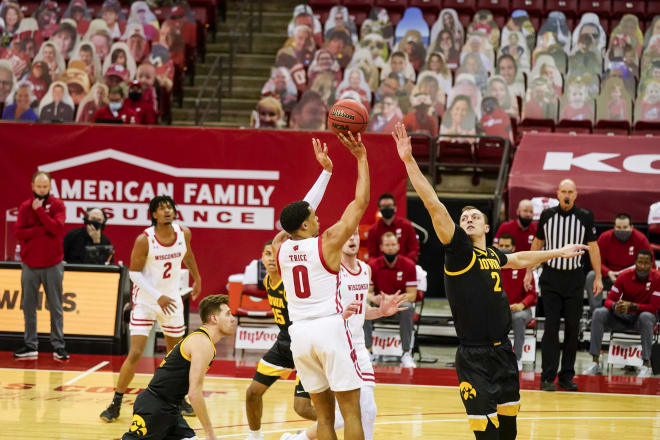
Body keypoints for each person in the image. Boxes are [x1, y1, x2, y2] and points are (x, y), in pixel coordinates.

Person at [392, 122, 587, 440]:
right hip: (474, 356)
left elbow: (521, 259)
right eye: (463, 218)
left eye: (474, 217)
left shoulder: (493, 255)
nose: (467, 219)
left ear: (486, 228)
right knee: (486, 433)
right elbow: (433, 205)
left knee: (509, 428)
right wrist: (409, 161)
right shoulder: (458, 252)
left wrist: (558, 251)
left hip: (503, 352)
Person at [274, 131, 370, 440]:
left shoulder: (280, 247)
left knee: (325, 417)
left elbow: (296, 214)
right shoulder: (327, 243)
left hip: (299, 335)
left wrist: (326, 172)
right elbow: (361, 202)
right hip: (329, 328)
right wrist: (361, 158)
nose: (318, 218)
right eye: (313, 217)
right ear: (304, 225)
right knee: (352, 411)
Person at [245, 141, 335, 440]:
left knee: (305, 408)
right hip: (285, 341)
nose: (272, 257)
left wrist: (325, 174)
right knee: (252, 393)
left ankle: (335, 423)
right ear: (264, 256)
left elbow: (301, 214)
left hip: (305, 337)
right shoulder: (276, 258)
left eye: (275, 252)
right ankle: (255, 437)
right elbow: (297, 217)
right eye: (268, 254)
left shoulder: (289, 261)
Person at [280, 231, 408, 440]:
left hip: (357, 346)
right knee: (345, 414)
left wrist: (381, 312)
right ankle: (298, 439)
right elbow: (320, 308)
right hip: (334, 343)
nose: (351, 239)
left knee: (367, 408)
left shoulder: (365, 269)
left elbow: (361, 309)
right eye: (347, 235)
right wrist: (339, 314)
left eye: (355, 235)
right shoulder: (330, 270)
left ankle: (297, 439)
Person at [100, 195, 202, 422]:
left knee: (175, 356)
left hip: (172, 301)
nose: (167, 211)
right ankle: (116, 402)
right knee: (135, 353)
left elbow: (188, 255)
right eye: (161, 208)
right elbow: (134, 273)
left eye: (170, 207)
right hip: (146, 302)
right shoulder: (144, 239)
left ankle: (178, 399)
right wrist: (158, 296)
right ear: (153, 214)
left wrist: (198, 278)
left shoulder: (183, 233)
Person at [120, 294, 237, 440]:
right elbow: (194, 394)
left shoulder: (203, 341)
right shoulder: (202, 343)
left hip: (170, 409)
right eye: (227, 314)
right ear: (214, 318)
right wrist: (209, 432)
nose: (233, 319)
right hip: (155, 407)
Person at [526, 179, 603, 392]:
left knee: (572, 327)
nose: (567, 195)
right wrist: (528, 270)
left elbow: (594, 248)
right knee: (550, 328)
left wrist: (598, 276)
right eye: (563, 191)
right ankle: (547, 377)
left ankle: (566, 376)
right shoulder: (547, 215)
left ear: (576, 194)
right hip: (551, 278)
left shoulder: (585, 217)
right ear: (557, 194)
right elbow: (537, 244)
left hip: (574, 279)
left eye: (570, 191)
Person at [13, 171, 68, 360]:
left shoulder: (58, 205)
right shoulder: (25, 206)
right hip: (29, 264)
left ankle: (58, 346)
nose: (42, 189)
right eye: (39, 186)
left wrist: (40, 213)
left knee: (56, 306)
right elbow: (19, 233)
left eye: (45, 186)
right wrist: (42, 230)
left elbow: (57, 229)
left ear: (50, 186)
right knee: (28, 306)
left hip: (53, 263)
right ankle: (30, 345)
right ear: (32, 186)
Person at [583, 250, 659, 378]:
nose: (643, 266)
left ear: (651, 264)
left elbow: (654, 307)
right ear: (635, 263)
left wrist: (631, 305)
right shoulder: (624, 276)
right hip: (623, 317)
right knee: (598, 313)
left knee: (646, 316)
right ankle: (595, 362)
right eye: (640, 262)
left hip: (642, 321)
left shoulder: (657, 278)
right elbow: (608, 300)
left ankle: (646, 364)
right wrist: (615, 306)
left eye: (646, 263)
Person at [364, 232, 418, 368]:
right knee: (363, 306)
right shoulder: (373, 265)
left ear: (398, 246)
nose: (390, 248)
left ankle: (406, 353)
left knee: (408, 307)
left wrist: (393, 300)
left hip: (398, 307)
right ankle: (368, 351)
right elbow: (367, 292)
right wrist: (374, 298)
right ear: (381, 247)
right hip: (379, 307)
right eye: (387, 245)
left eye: (393, 244)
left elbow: (412, 295)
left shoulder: (409, 265)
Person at [586, 213, 653, 313]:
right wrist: (608, 272)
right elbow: (595, 261)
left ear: (631, 227)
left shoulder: (641, 239)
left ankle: (638, 313)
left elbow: (651, 265)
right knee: (592, 275)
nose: (621, 230)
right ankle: (596, 312)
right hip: (610, 276)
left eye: (625, 227)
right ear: (614, 227)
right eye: (618, 227)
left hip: (632, 277)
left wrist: (631, 275)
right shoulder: (605, 237)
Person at [496, 234, 538, 369]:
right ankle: (495, 358)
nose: (503, 249)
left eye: (507, 246)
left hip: (522, 310)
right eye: (501, 246)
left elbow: (533, 294)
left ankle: (517, 359)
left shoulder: (523, 268)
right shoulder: (492, 268)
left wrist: (522, 305)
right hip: (501, 309)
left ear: (513, 248)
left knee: (518, 318)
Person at [367, 193, 419, 263]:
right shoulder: (373, 230)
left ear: (395, 208)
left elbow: (414, 250)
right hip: (381, 269)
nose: (387, 208)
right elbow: (372, 255)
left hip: (404, 266)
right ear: (379, 209)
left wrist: (404, 263)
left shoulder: (407, 226)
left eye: (389, 206)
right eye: (383, 206)